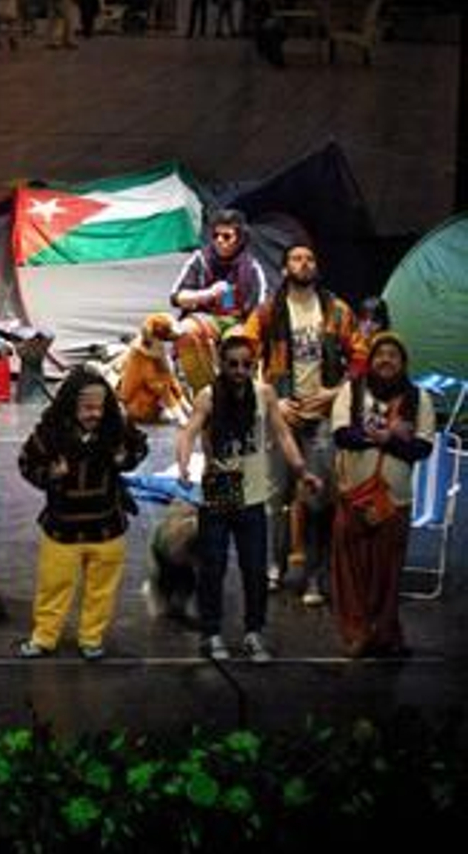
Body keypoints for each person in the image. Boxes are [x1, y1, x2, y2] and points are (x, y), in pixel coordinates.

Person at [177, 334, 319, 662]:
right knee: (214, 566)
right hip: (222, 486)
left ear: (253, 365)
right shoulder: (209, 396)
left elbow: (282, 433)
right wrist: (184, 464)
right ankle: (211, 632)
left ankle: (254, 631)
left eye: (246, 364)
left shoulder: (264, 394)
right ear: (222, 365)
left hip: (253, 490)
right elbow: (189, 431)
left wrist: (301, 470)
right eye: (233, 364)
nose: (239, 370)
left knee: (254, 568)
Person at [241, 243, 365, 604]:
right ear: (284, 268)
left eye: (310, 258)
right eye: (296, 258)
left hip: (322, 418)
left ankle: (314, 575)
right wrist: (271, 399)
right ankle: (272, 568)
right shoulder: (268, 312)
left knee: (317, 500)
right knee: (272, 497)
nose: (304, 263)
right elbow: (242, 355)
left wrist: (336, 392)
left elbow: (360, 355)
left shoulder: (335, 309)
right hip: (281, 416)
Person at [17, 368, 148, 660]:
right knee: (53, 586)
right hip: (62, 529)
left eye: (101, 407)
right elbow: (26, 463)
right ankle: (44, 638)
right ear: (71, 405)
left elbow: (140, 448)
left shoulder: (117, 428)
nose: (96, 413)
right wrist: (50, 474)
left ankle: (91, 637)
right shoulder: (50, 434)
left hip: (107, 528)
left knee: (101, 590)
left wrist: (124, 459)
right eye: (88, 407)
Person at [330, 332, 434, 659]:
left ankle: (385, 633)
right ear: (371, 361)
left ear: (403, 363)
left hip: (395, 503)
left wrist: (388, 438)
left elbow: (422, 447)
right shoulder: (352, 390)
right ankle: (357, 633)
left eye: (393, 355)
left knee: (388, 575)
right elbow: (342, 435)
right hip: (354, 497)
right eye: (380, 354)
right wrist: (387, 437)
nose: (386, 360)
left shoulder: (420, 399)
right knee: (351, 572)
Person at [168, 208, 268, 392]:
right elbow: (177, 296)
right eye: (216, 235)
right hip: (206, 317)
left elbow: (260, 311)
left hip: (238, 321)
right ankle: (205, 392)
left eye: (227, 236)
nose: (220, 241)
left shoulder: (252, 267)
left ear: (240, 238)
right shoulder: (200, 260)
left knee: (238, 344)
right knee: (185, 331)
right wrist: (208, 294)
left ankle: (238, 394)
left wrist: (249, 335)